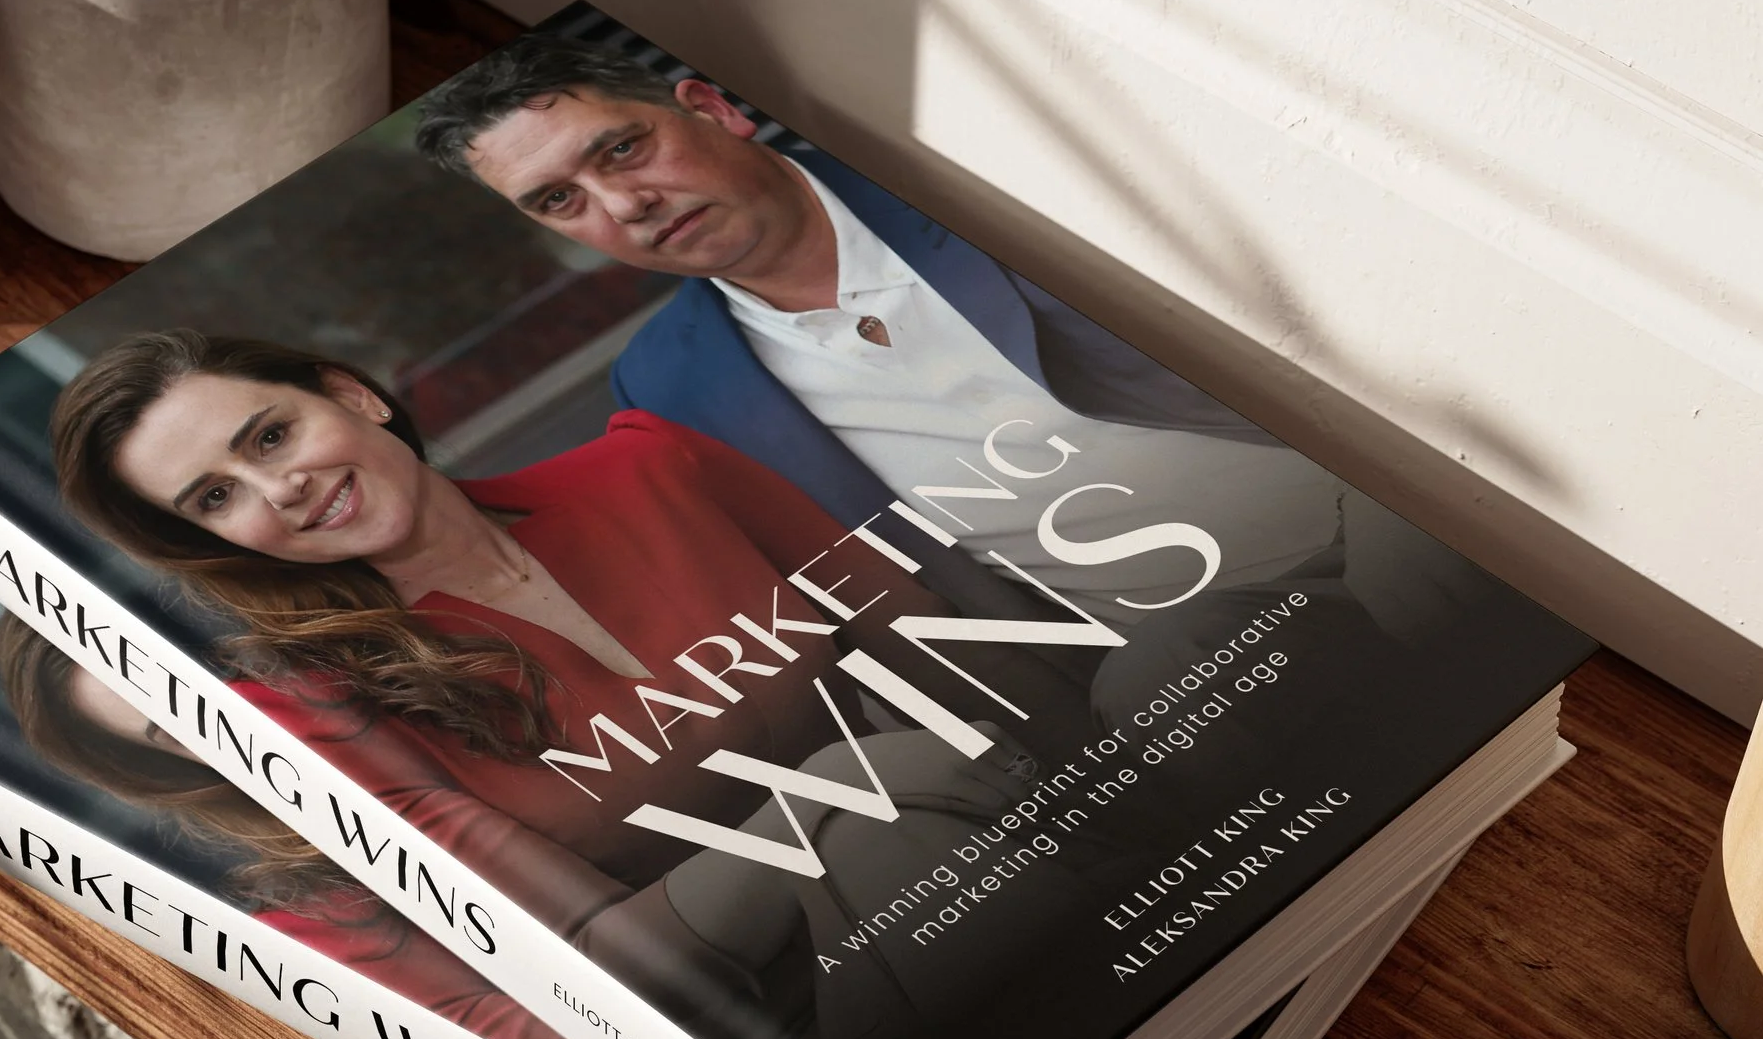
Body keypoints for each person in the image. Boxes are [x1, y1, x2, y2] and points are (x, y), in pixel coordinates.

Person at [48, 329, 1061, 1039]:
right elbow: (589, 970)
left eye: (270, 436)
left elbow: (937, 650)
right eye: (217, 497)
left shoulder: (650, 462)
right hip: (797, 1032)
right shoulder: (324, 717)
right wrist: (837, 791)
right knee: (889, 828)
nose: (277, 490)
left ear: (351, 394)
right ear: (215, 542)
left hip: (987, 846)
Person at [413, 34, 1363, 632]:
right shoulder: (668, 390)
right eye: (560, 200)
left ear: (713, 109)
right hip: (1177, 652)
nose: (625, 204)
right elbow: (873, 603)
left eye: (624, 148)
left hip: (1363, 513)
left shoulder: (953, 167)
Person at [0, 613, 658, 1039]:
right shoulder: (321, 925)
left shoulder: (481, 647)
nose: (234, 729)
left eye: (201, 691)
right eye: (178, 730)